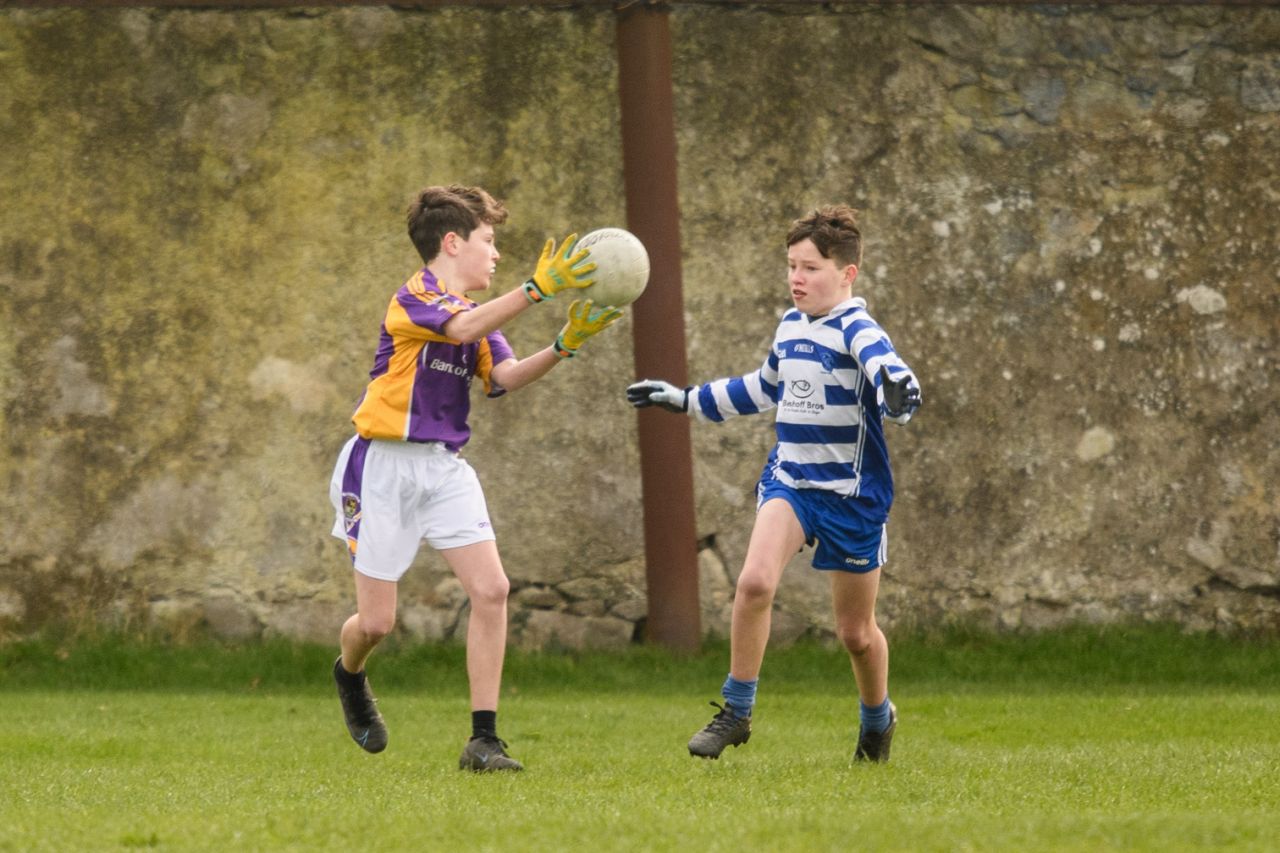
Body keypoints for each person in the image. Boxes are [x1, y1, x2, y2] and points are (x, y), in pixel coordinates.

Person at [330, 184, 621, 772]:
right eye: (489, 241)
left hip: (443, 469)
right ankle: (349, 671)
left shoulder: (478, 315)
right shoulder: (413, 298)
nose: (496, 255)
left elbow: (505, 377)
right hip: (382, 466)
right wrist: (537, 290)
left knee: (492, 590)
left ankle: (482, 741)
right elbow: (460, 332)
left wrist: (565, 345)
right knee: (378, 623)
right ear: (453, 241)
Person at [626, 204, 921, 763]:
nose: (796, 278)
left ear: (847, 274)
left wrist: (901, 396)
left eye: (810, 267)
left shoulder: (857, 327)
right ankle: (736, 711)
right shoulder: (790, 327)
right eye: (791, 265)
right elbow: (762, 389)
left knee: (856, 634)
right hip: (791, 481)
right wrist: (685, 399)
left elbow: (888, 371)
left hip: (854, 498)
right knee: (755, 583)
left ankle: (877, 719)